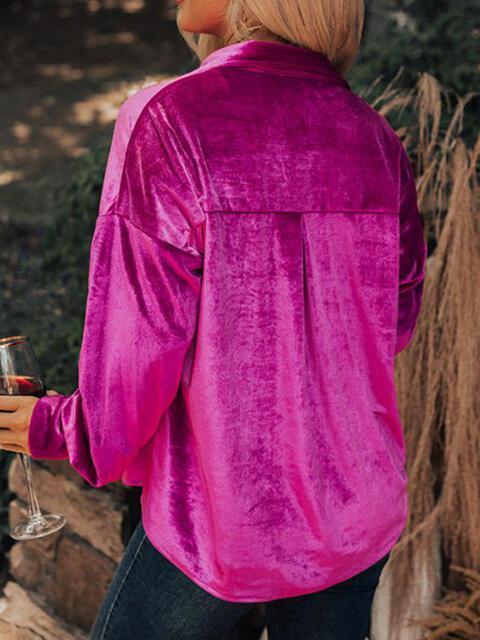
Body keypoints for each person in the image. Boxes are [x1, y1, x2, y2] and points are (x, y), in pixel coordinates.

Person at [0, 0, 428, 638]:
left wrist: (60, 429)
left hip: (222, 525)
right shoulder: (374, 139)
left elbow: (139, 352)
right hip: (352, 516)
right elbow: (392, 324)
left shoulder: (172, 120)